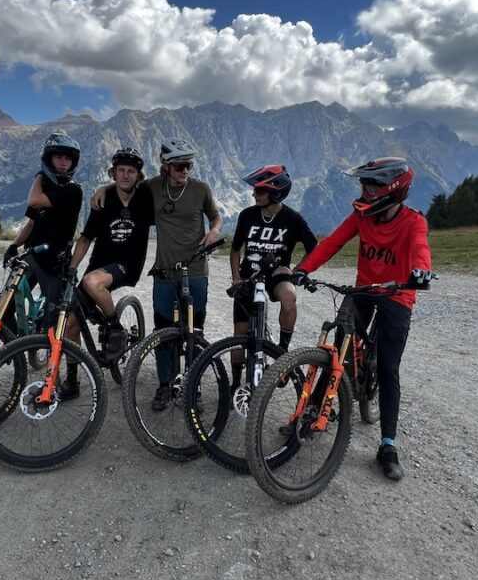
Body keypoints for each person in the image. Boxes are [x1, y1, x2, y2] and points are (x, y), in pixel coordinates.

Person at [294, 157, 433, 482]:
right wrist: (304, 269)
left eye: (372, 186)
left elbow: (420, 249)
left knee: (387, 367)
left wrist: (420, 271)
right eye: (364, 185)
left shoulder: (414, 222)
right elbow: (333, 241)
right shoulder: (361, 216)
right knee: (340, 335)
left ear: (393, 190)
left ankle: (387, 444)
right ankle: (315, 405)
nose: (365, 191)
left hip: (397, 295)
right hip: (365, 289)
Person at [92, 137, 223, 410]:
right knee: (162, 332)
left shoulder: (201, 189)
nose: (184, 170)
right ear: (165, 166)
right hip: (164, 272)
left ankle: (193, 385)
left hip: (197, 271)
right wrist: (104, 187)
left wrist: (214, 230)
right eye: (178, 166)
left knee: (194, 333)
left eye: (187, 165)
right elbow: (126, 184)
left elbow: (215, 216)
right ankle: (165, 385)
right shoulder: (152, 187)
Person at [62, 148, 154, 400]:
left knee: (92, 282)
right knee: (72, 322)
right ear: (114, 173)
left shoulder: (146, 198)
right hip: (100, 264)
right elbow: (86, 237)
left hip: (128, 265)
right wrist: (71, 267)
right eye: (120, 171)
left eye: (131, 171)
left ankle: (115, 329)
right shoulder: (104, 200)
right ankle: (72, 381)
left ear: (138, 175)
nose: (125, 175)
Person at [229, 164, 317, 390]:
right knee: (239, 332)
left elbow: (313, 249)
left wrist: (296, 271)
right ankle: (235, 383)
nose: (254, 194)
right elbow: (236, 250)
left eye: (259, 191)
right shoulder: (247, 215)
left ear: (276, 193)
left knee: (289, 297)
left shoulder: (293, 219)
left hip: (277, 275)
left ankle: (282, 351)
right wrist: (237, 278)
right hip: (250, 276)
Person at [2, 133, 83, 332]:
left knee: (52, 323)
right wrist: (13, 246)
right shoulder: (46, 187)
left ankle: (46, 354)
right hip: (32, 257)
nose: (64, 162)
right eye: (59, 157)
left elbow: (34, 201)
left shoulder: (73, 192)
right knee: (4, 309)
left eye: (68, 158)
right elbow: (30, 224)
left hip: (55, 264)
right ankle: (15, 349)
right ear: (49, 159)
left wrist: (39, 175)